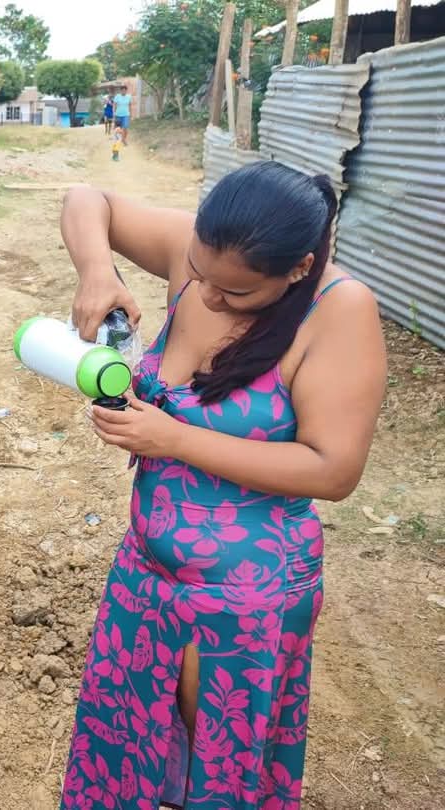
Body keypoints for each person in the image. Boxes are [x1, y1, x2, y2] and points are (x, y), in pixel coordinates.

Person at [58, 162, 385, 809]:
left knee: (210, 774)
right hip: (145, 573)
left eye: (235, 293)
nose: (206, 295)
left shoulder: (337, 310)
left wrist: (174, 439)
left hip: (243, 600)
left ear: (298, 269)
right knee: (127, 754)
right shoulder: (201, 264)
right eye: (200, 273)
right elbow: (84, 197)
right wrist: (99, 271)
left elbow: (333, 469)